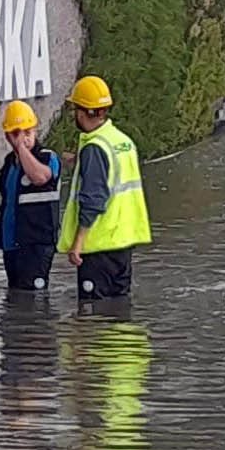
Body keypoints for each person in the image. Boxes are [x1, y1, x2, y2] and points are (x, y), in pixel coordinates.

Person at [57, 74, 149, 301]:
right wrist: (79, 162)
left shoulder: (95, 148)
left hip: (99, 247)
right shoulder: (121, 140)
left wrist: (77, 244)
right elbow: (113, 176)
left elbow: (93, 200)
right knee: (117, 308)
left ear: (81, 112)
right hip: (123, 244)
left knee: (93, 315)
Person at [0, 100, 64, 292]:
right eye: (17, 134)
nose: (23, 138)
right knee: (16, 295)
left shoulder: (48, 157)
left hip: (37, 244)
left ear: (35, 131)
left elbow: (40, 177)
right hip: (12, 242)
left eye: (28, 132)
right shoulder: (9, 164)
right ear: (7, 136)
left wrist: (22, 149)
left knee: (34, 298)